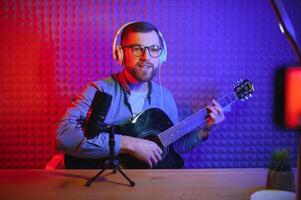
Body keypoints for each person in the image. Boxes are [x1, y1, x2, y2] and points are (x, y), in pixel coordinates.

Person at [56, 21, 225, 169]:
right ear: (120, 54)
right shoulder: (98, 90)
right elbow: (63, 136)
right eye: (137, 49)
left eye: (154, 49)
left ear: (162, 55)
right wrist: (131, 144)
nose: (146, 57)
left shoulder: (165, 98)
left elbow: (170, 148)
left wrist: (205, 130)